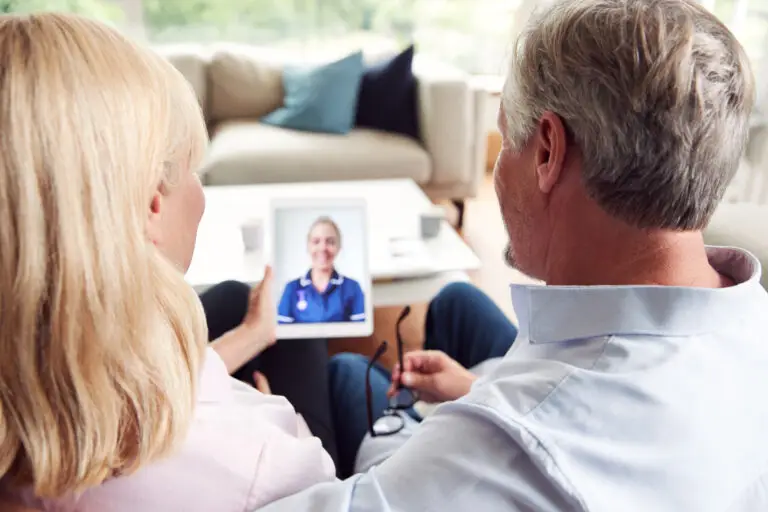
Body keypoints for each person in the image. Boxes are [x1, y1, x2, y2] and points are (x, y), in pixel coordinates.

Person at [258, 0, 768, 510]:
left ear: (548, 152)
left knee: (348, 372)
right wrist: (476, 387)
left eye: (505, 140)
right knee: (457, 299)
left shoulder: (508, 449)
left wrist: (266, 432)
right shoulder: (752, 320)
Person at [0, 13, 335, 511]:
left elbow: (106, 392)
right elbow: (333, 490)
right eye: (191, 169)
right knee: (347, 376)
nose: (199, 190)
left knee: (232, 299)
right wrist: (286, 418)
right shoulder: (257, 467)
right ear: (152, 200)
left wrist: (251, 335)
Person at [278, 216, 366, 324]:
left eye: (330, 242)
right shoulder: (291, 289)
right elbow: (282, 336)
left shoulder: (353, 288)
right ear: (308, 246)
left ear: (338, 247)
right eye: (316, 241)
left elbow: (361, 336)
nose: (323, 248)